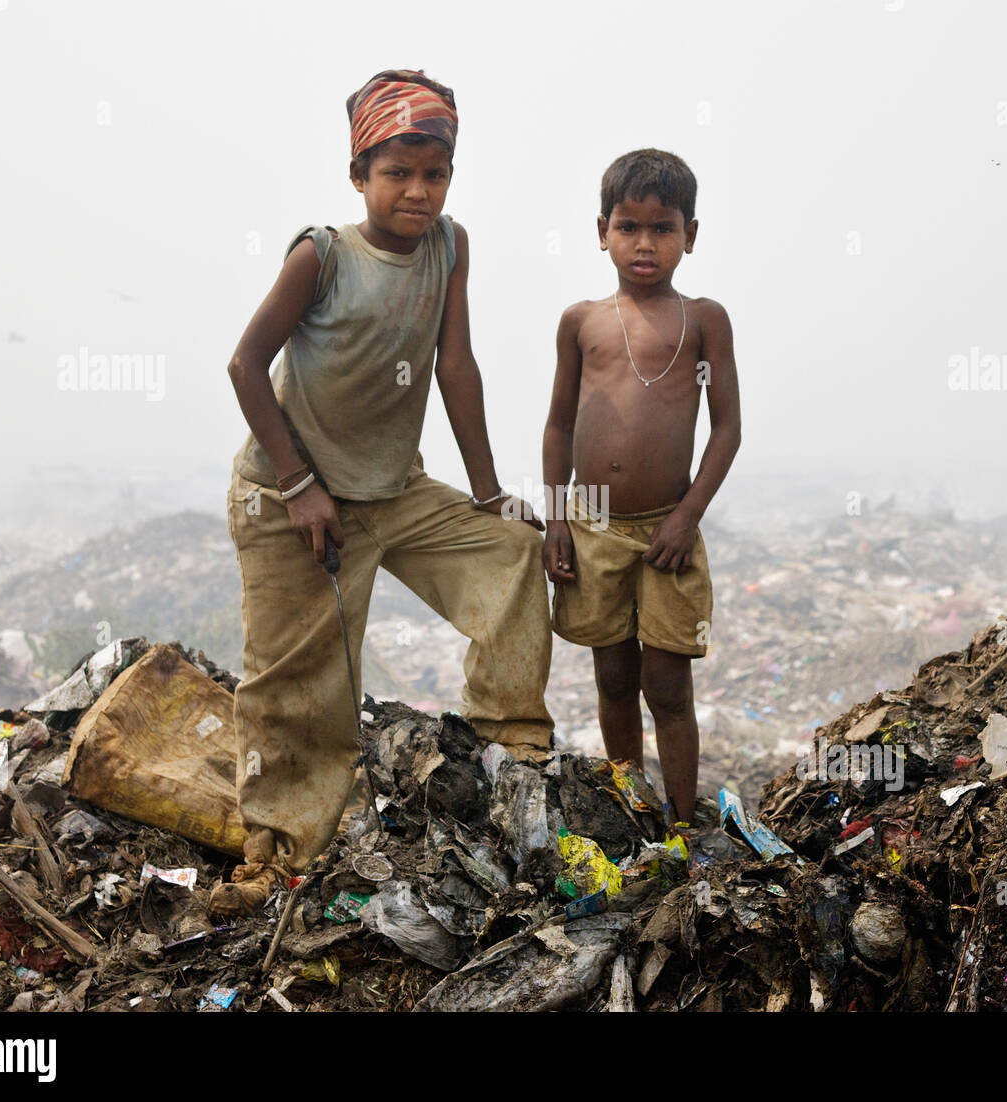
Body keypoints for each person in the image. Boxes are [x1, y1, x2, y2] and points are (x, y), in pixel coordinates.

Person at [211, 69, 553, 916]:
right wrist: (297, 483)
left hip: (393, 490)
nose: (417, 190)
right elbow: (245, 365)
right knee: (301, 690)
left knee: (512, 553)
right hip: (292, 497)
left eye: (433, 173)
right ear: (359, 174)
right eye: (396, 172)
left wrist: (487, 492)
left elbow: (455, 365)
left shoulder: (448, 245)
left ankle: (506, 752)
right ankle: (277, 855)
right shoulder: (322, 255)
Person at [542, 149, 741, 829]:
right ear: (602, 231)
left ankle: (684, 823)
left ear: (690, 233)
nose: (645, 243)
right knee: (614, 678)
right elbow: (559, 425)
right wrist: (556, 519)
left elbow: (728, 430)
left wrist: (687, 516)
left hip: (667, 528)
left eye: (663, 227)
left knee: (668, 683)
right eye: (629, 227)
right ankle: (635, 813)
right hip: (593, 524)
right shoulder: (581, 321)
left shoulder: (705, 319)